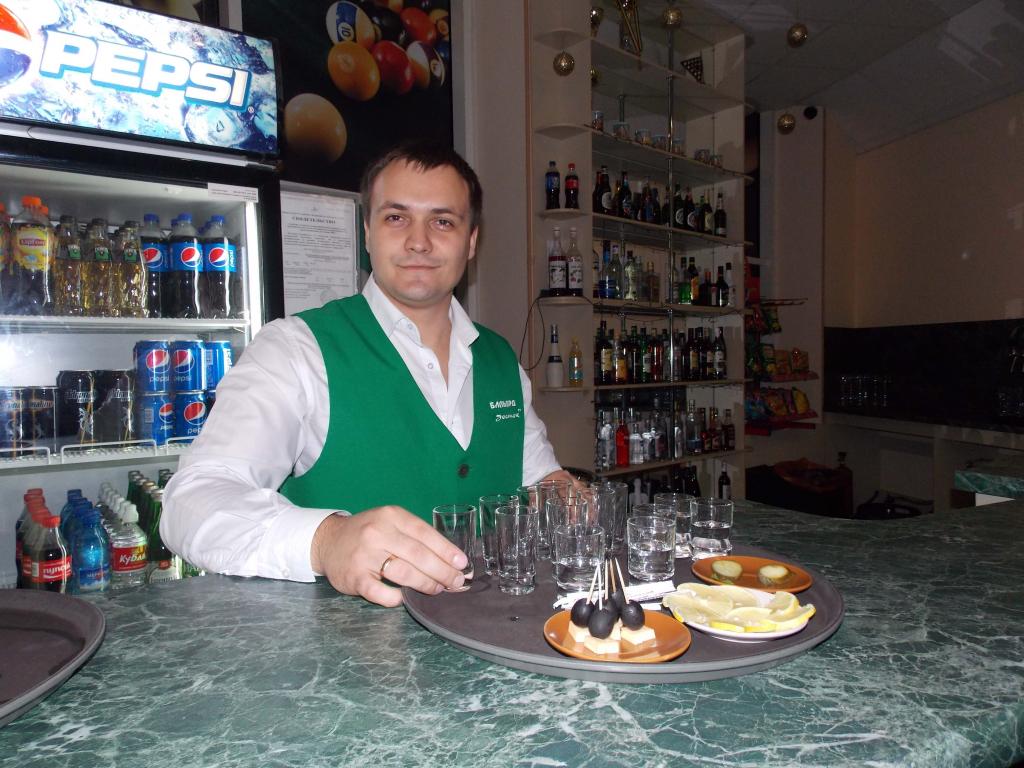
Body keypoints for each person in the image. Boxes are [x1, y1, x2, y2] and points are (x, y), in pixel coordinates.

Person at [162, 140, 575, 606]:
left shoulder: (502, 360)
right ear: (367, 233)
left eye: (443, 221)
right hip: (344, 647)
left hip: (494, 633)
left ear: (472, 241)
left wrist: (562, 494)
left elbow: (539, 480)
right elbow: (190, 502)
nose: (419, 241)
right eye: (396, 217)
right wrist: (326, 540)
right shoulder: (295, 350)